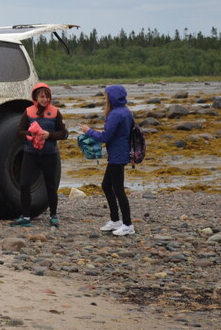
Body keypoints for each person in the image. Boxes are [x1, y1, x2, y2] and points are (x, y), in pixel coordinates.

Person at [79, 85, 135, 236]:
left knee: (118, 190)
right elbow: (114, 133)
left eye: (106, 97)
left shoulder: (115, 114)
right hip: (119, 153)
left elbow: (106, 138)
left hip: (117, 155)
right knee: (106, 186)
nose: (106, 99)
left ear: (112, 98)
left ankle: (128, 224)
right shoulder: (125, 111)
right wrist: (98, 132)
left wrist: (88, 131)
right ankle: (115, 220)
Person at [11, 82, 67, 227]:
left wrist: (49, 134)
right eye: (42, 97)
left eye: (47, 97)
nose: (45, 100)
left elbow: (64, 133)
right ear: (36, 97)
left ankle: (53, 216)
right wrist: (31, 132)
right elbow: (19, 132)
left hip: (49, 155)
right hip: (31, 154)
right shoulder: (28, 112)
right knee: (24, 184)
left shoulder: (55, 112)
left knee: (51, 186)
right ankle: (26, 217)